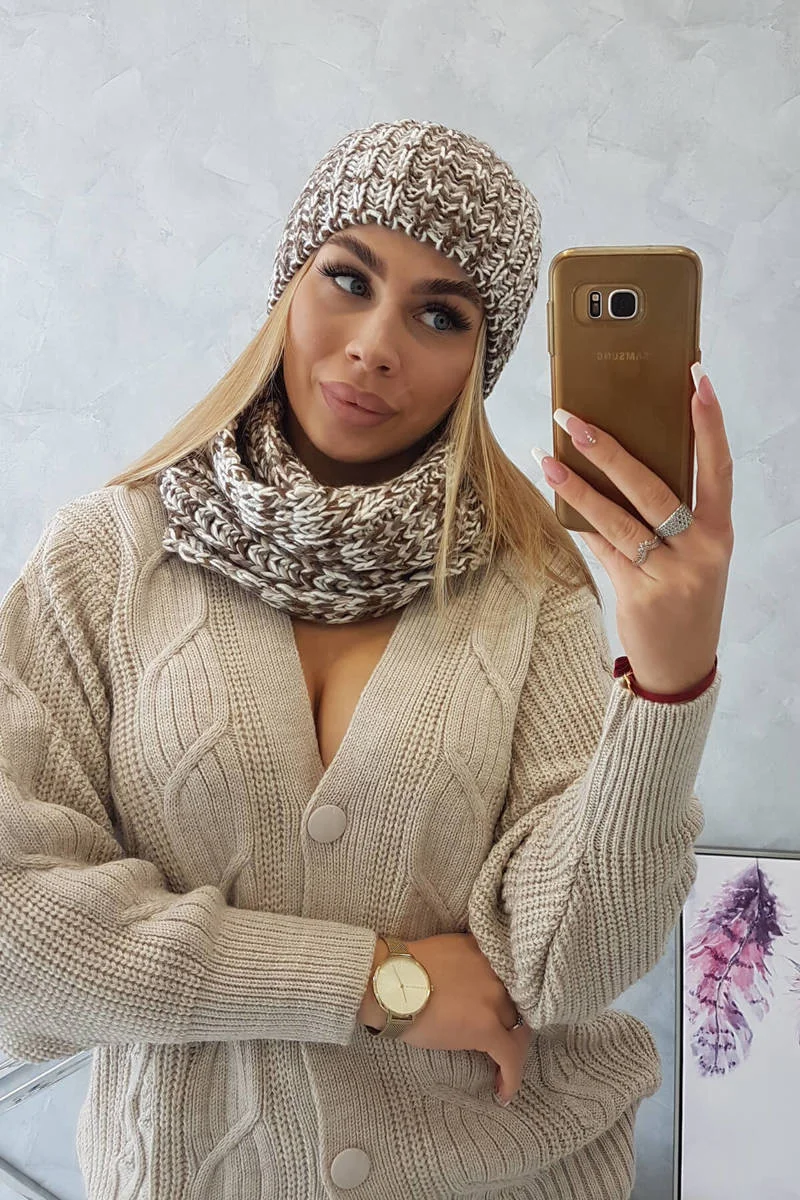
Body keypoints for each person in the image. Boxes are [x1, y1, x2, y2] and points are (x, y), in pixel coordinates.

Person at [0, 119, 732, 1199]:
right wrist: (369, 983)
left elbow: (564, 967)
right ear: (287, 286)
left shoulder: (530, 585)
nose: (376, 344)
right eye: (348, 278)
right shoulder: (103, 558)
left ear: (481, 360)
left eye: (441, 314)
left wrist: (668, 687)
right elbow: (15, 933)